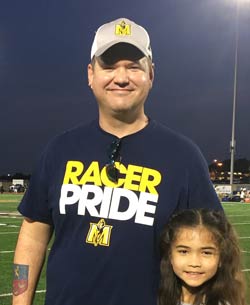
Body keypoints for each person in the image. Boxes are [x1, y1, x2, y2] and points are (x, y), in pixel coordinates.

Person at [12, 17, 223, 305]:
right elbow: (33, 234)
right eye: (109, 66)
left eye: (134, 67)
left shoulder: (184, 157)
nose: (121, 77)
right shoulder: (59, 149)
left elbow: (216, 245)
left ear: (151, 75)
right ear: (90, 74)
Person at [159, 209, 246, 305]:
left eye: (206, 253)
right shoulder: (155, 293)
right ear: (170, 254)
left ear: (222, 257)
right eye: (183, 251)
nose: (194, 263)